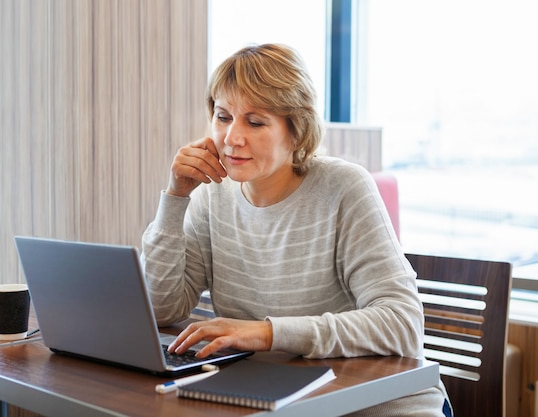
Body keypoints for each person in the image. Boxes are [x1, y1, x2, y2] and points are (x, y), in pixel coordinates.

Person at [141, 43, 451, 416]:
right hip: (279, 401)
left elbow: (403, 324)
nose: (232, 138)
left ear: (297, 130)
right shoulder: (212, 197)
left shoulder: (344, 187)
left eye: (255, 122)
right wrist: (175, 198)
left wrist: (267, 333)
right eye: (223, 117)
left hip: (378, 403)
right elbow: (161, 309)